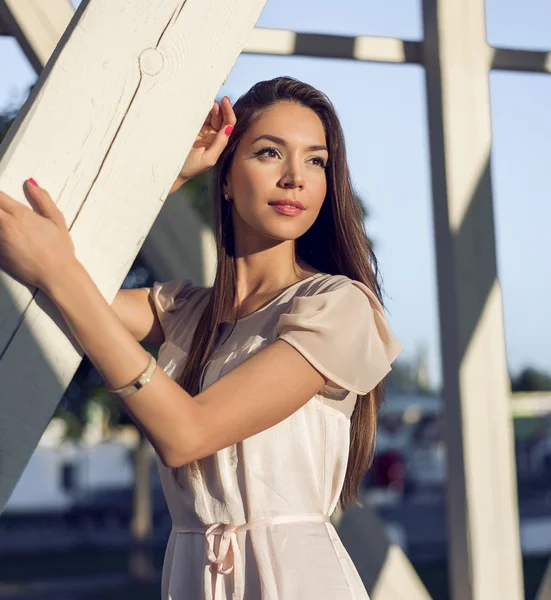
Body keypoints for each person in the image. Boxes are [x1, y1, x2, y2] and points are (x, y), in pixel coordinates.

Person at [0, 76, 402, 599]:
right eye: (268, 153)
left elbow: (187, 434)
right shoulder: (185, 311)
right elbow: (51, 274)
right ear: (227, 177)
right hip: (193, 576)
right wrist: (170, 176)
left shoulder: (337, 307)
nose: (294, 179)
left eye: (316, 161)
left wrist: (57, 272)